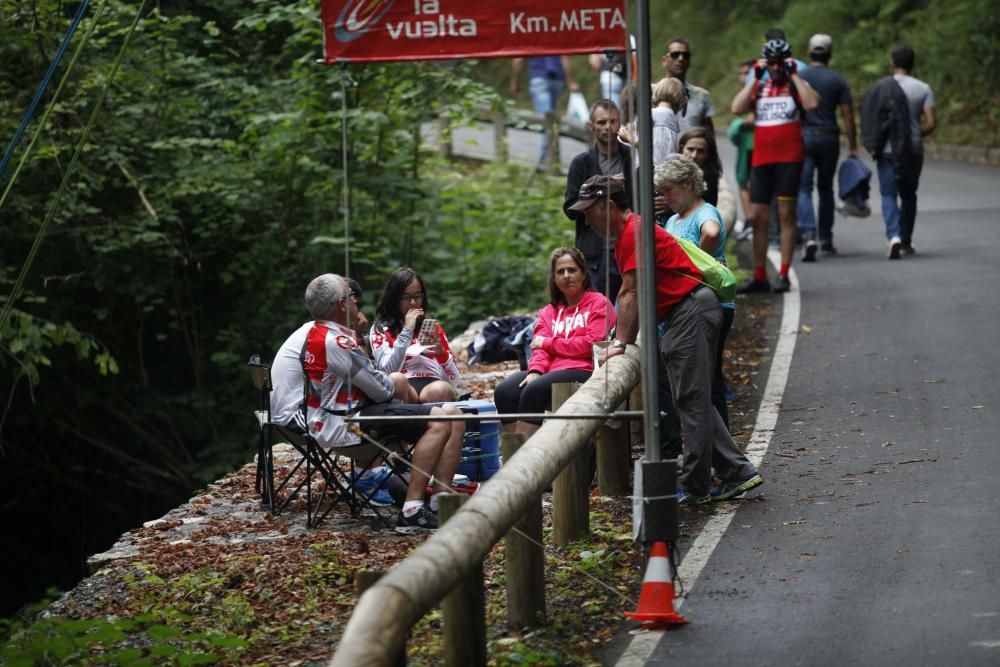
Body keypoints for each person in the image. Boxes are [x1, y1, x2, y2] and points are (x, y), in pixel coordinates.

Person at [571, 174, 762, 503]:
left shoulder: (632, 232)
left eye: (590, 211)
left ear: (609, 206)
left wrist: (620, 344)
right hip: (685, 313)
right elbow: (630, 289)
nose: (586, 219)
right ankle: (737, 471)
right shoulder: (633, 230)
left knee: (691, 400)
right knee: (692, 399)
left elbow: (631, 292)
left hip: (688, 311)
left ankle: (694, 485)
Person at [270, 274, 465, 532]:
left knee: (453, 413)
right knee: (441, 420)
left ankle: (440, 502)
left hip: (339, 417)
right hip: (348, 425)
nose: (356, 302)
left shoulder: (320, 334)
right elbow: (383, 390)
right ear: (342, 304)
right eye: (351, 298)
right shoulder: (337, 342)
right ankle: (412, 510)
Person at [494, 247, 616, 436]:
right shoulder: (548, 312)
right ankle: (515, 454)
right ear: (554, 278)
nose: (567, 276)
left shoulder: (599, 303)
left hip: (585, 370)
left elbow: (591, 344)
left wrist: (549, 343)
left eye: (572, 270)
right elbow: (538, 348)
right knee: (504, 391)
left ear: (583, 273)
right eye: (560, 271)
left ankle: (530, 460)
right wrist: (535, 371)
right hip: (552, 371)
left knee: (533, 390)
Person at [731, 38, 820, 293]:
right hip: (762, 160)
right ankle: (760, 276)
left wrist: (794, 75)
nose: (776, 67)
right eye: (771, 63)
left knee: (786, 216)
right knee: (758, 218)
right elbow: (736, 107)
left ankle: (783, 273)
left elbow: (812, 103)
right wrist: (756, 78)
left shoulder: (796, 84)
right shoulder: (760, 85)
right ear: (765, 63)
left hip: (789, 159)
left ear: (788, 62)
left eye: (781, 63)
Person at [655, 154, 735, 431]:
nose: (665, 197)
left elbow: (711, 232)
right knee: (697, 380)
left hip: (707, 304)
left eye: (669, 190)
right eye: (661, 191)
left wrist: (696, 263)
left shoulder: (704, 211)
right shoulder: (675, 219)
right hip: (684, 309)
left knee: (708, 381)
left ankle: (720, 453)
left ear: (688, 184)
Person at [868, 45, 935, 258]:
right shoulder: (923, 88)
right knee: (908, 194)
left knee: (888, 193)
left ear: (892, 64)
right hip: (913, 150)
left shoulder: (882, 87)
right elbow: (932, 122)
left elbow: (873, 117)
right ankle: (905, 241)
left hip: (887, 150)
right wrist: (916, 134)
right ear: (912, 64)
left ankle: (893, 236)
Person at [797, 34, 859, 260]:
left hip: (803, 136)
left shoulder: (800, 77)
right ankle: (826, 238)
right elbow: (848, 116)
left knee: (803, 188)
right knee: (825, 189)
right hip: (829, 137)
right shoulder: (837, 79)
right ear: (830, 54)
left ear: (809, 52)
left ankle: (808, 234)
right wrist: (853, 145)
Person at [564, 99, 632, 300]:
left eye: (613, 121)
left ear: (620, 124)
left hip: (629, 247)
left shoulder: (632, 157)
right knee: (599, 311)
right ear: (591, 126)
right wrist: (601, 188)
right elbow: (570, 209)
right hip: (596, 255)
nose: (608, 127)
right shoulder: (581, 163)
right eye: (602, 122)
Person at [370, 267, 461, 403]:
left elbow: (454, 381)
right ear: (394, 299)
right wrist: (407, 330)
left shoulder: (432, 328)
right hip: (405, 385)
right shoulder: (381, 329)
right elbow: (387, 371)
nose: (413, 302)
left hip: (433, 384)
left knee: (441, 389)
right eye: (405, 298)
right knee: (396, 379)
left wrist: (441, 353)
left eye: (417, 296)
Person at [511, 56, 579, 158]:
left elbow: (519, 59)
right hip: (557, 80)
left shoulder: (530, 39)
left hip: (539, 78)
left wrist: (514, 80)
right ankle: (551, 155)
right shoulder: (558, 39)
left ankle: (545, 158)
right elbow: (565, 58)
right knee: (551, 119)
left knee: (546, 119)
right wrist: (570, 81)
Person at [678, 127, 737, 234]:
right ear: (681, 148)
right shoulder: (676, 170)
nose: (694, 156)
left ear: (709, 154)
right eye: (690, 149)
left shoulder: (708, 178)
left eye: (700, 151)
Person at [617, 77, 684, 166]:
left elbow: (648, 146)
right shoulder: (675, 121)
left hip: (649, 168)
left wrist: (629, 138)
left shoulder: (649, 114)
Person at [661, 37, 715, 133]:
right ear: (664, 60)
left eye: (685, 55)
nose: (681, 59)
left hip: (691, 147)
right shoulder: (651, 93)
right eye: (675, 55)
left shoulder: (702, 95)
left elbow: (708, 135)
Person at [729, 59, 756, 239]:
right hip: (745, 143)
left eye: (747, 73)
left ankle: (752, 220)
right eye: (741, 73)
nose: (743, 77)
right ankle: (750, 221)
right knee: (743, 182)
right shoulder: (745, 92)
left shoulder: (757, 91)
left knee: (749, 183)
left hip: (753, 143)